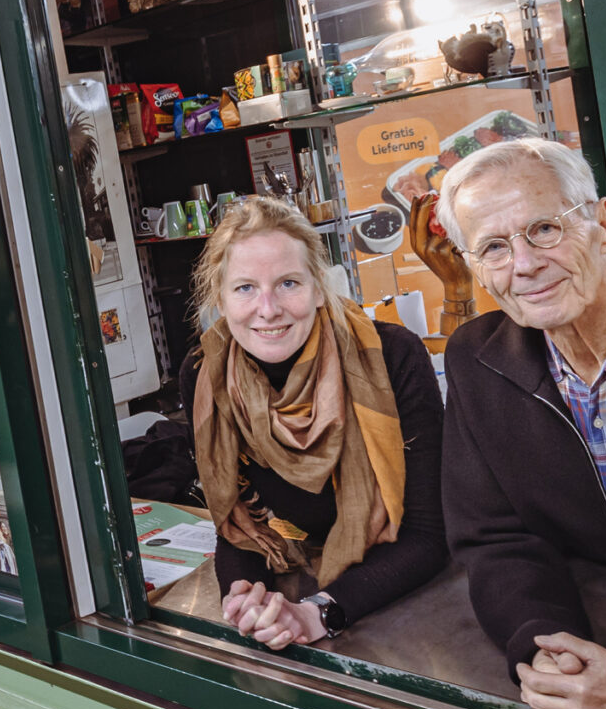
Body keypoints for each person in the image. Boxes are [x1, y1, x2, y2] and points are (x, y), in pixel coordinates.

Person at [433, 138, 606, 709]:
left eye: (544, 229)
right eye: (493, 246)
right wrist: (545, 647)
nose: (523, 264)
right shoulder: (476, 358)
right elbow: (495, 540)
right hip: (597, 660)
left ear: (602, 223)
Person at [178, 196, 448, 650]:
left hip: (411, 601)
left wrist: (317, 611)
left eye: (288, 283)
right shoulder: (206, 375)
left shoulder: (392, 357)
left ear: (320, 288)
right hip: (303, 585)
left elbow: (428, 535)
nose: (267, 309)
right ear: (220, 299)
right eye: (244, 288)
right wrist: (246, 600)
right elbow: (243, 529)